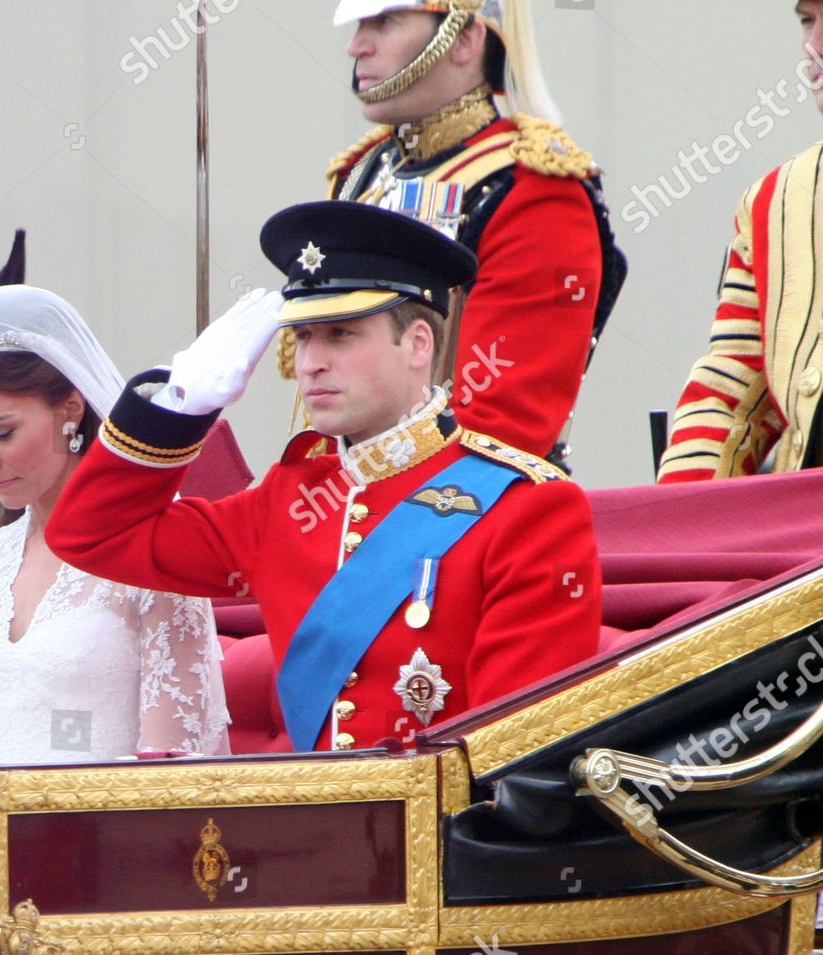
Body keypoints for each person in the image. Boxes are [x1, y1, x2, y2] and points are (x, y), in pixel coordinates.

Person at [47, 203, 601, 755]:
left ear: (417, 346)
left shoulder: (527, 507)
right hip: (313, 828)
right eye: (304, 337)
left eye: (340, 334)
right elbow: (89, 533)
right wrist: (175, 410)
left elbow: (517, 753)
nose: (310, 362)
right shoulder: (291, 499)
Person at [0, 285, 230, 767]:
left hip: (112, 837)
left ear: (70, 410)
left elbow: (174, 767)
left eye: (1, 433)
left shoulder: (153, 557)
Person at [313, 0, 626, 462]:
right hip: (345, 502)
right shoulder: (362, 172)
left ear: (464, 40)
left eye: (384, 23)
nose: (357, 46)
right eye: (361, 25)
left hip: (463, 511)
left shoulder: (534, 190)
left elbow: (498, 430)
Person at [658, 2, 823, 482]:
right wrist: (678, 530)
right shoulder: (776, 202)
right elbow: (729, 401)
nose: (812, 48)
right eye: (808, 21)